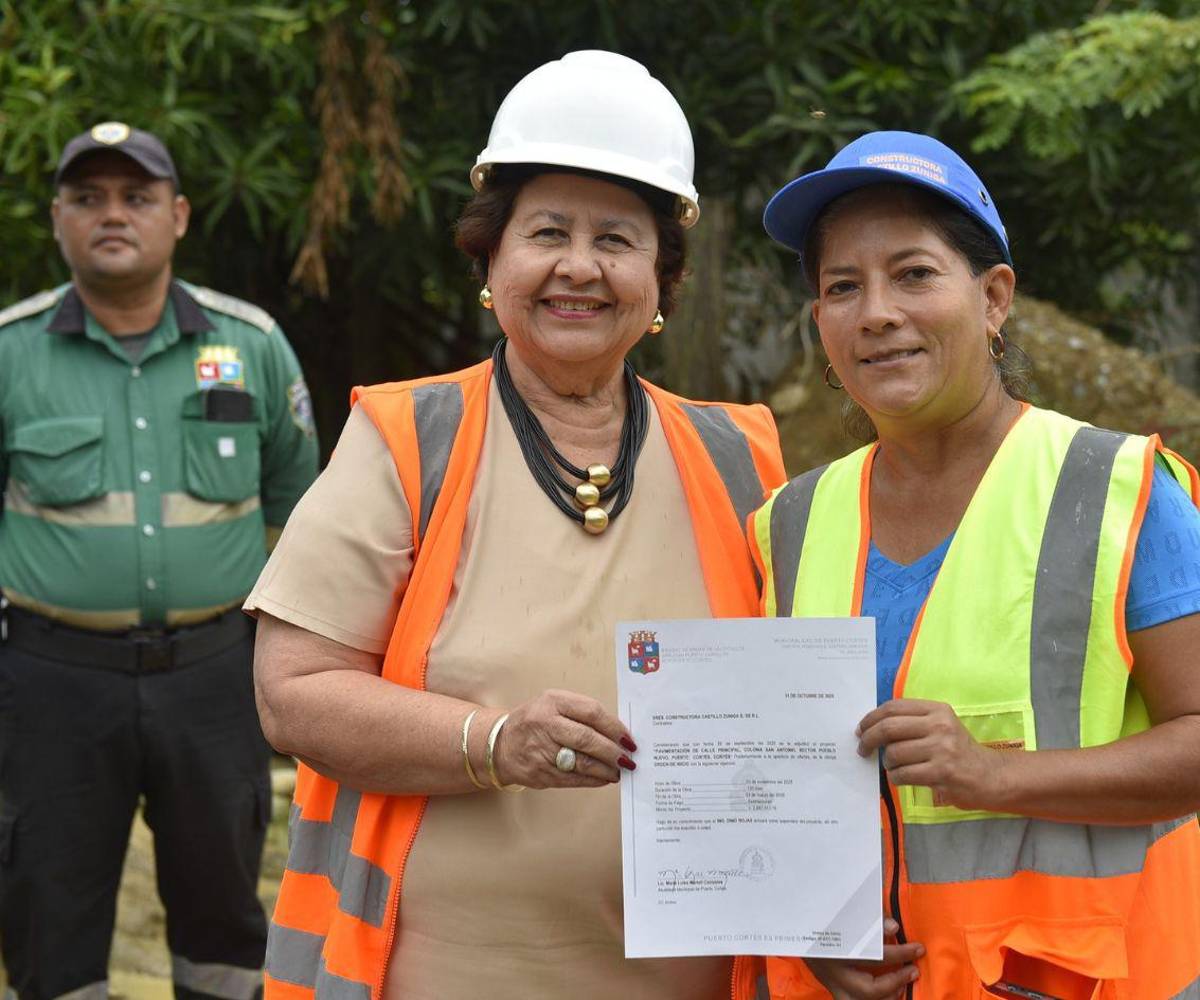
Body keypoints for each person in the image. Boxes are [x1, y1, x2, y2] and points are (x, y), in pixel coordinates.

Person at [248, 50, 786, 1000]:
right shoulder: (409, 437)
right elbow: (292, 695)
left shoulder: (741, 458)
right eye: (547, 232)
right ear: (490, 262)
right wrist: (496, 741)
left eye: (618, 240)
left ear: (663, 277)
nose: (580, 267)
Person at [749, 131, 1200, 999]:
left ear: (994, 299)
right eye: (843, 287)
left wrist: (995, 773)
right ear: (822, 326)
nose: (876, 311)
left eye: (914, 274)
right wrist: (811, 931)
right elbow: (782, 781)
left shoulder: (1117, 490)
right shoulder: (789, 524)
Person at [0, 123, 319, 1000]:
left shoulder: (250, 344)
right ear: (58, 219)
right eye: (88, 198)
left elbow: (304, 509)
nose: (112, 215)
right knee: (47, 915)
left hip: (215, 678)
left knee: (225, 921)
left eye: (136, 197)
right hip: (49, 683)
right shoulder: (10, 353)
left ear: (177, 217)